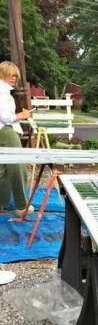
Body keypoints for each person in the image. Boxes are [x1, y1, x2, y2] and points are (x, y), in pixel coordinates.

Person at [0, 61, 34, 215]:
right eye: (10, 74)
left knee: (3, 168)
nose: (14, 78)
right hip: (5, 130)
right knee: (17, 166)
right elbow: (6, 118)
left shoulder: (6, 92)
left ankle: (1, 203)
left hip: (5, 129)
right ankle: (21, 205)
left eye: (15, 75)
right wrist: (23, 115)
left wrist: (19, 117)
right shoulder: (1, 91)